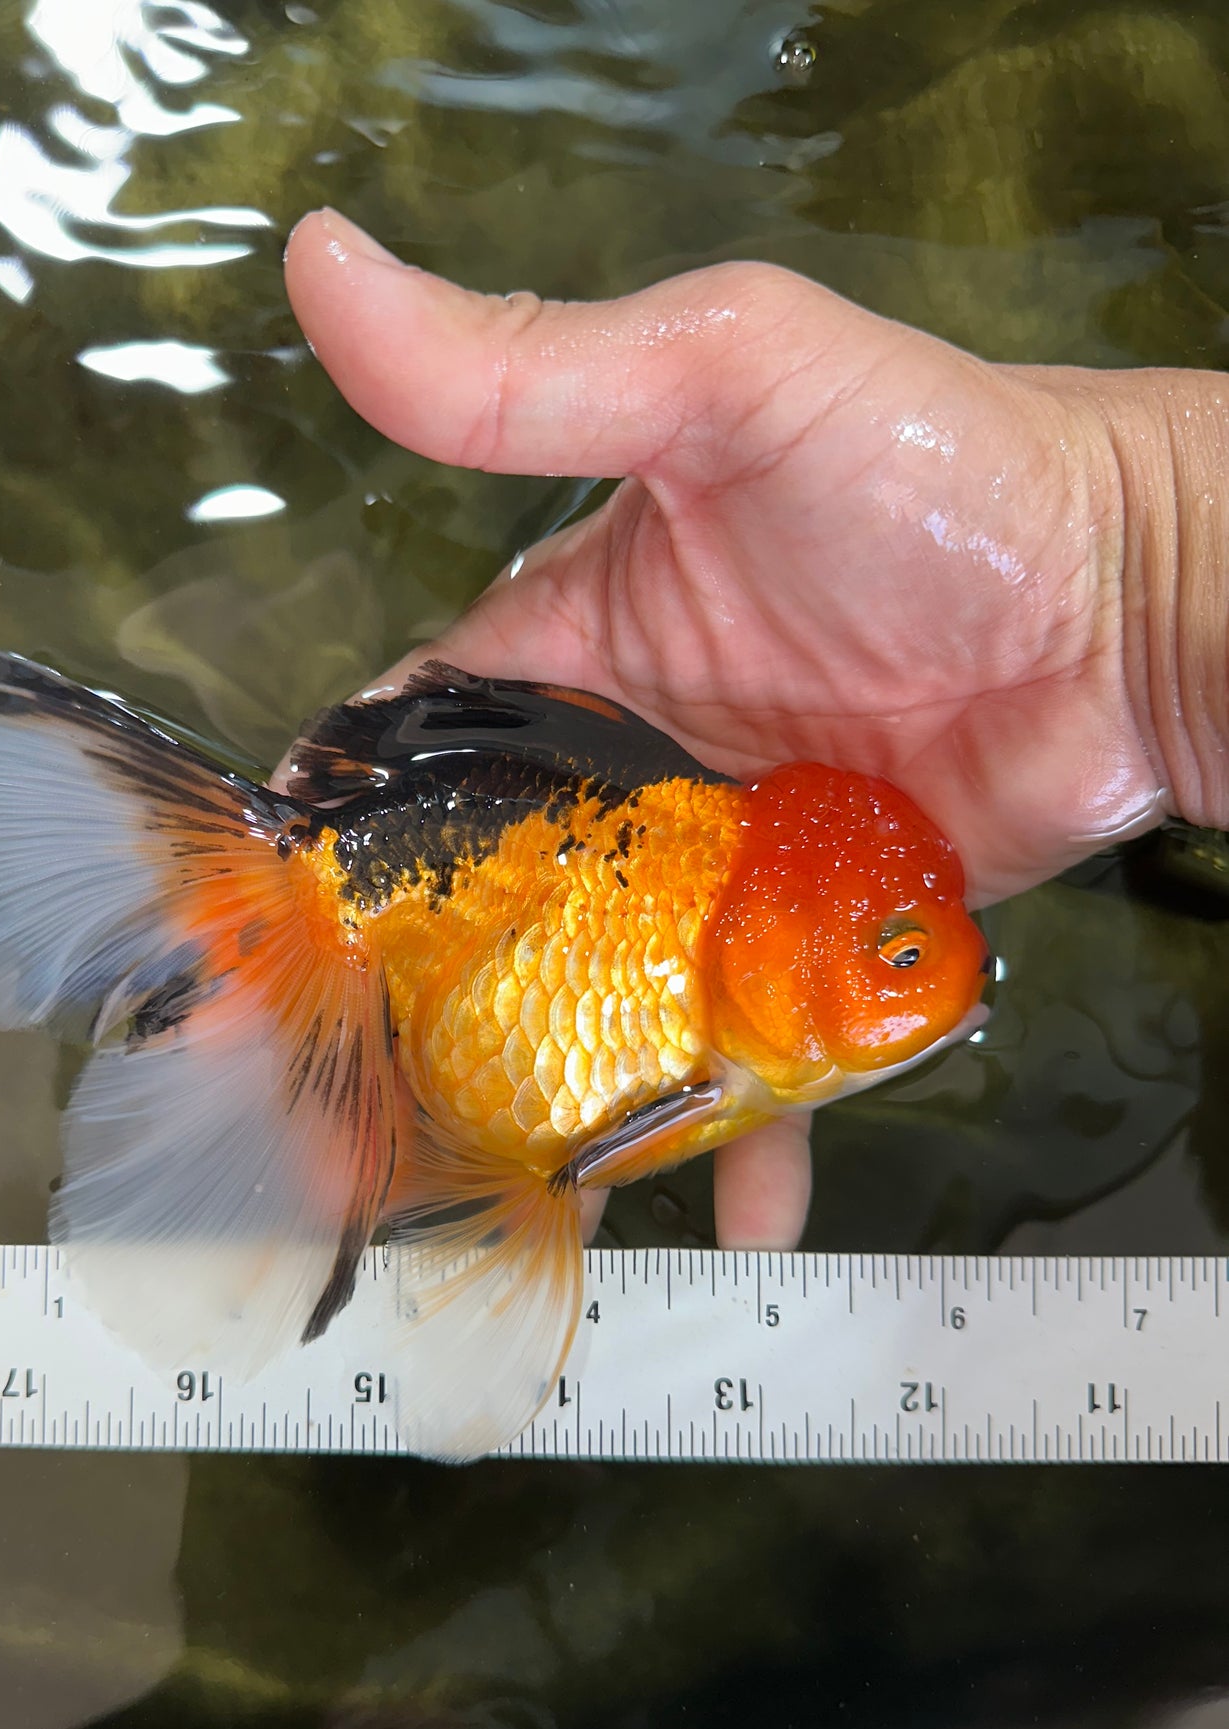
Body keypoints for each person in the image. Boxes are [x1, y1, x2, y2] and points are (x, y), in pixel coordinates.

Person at [283, 208, 1227, 1250]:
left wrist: (1142, 578)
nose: (949, 979)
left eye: (902, 952)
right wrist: (1138, 580)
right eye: (898, 953)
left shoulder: (742, 1009)